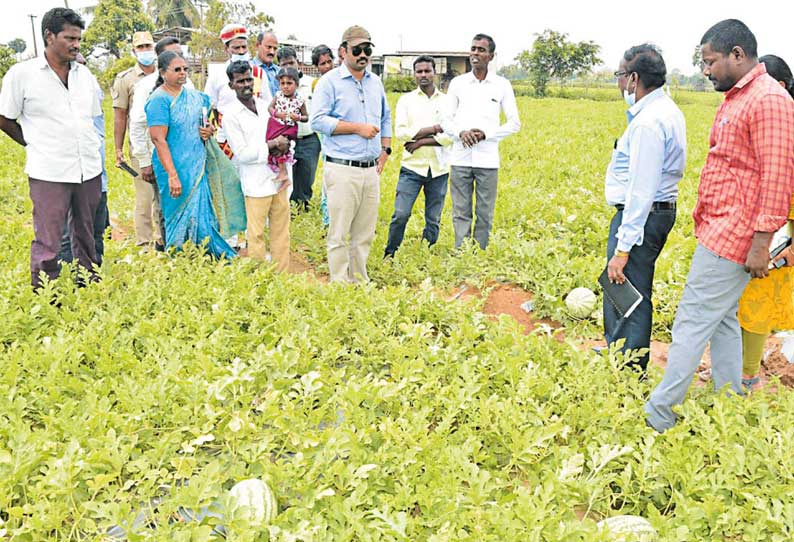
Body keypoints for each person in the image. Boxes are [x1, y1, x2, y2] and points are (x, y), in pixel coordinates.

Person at [645, 20, 794, 433]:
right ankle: (729, 403)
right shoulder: (740, 97)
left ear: (738, 55)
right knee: (725, 319)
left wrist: (762, 243)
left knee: (691, 322)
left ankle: (659, 413)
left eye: (710, 62)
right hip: (721, 229)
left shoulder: (769, 100)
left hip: (735, 236)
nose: (706, 70)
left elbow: (778, 175)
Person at [0, 7, 102, 290]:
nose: (76, 45)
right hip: (49, 170)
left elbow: (91, 117)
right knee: (49, 237)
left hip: (88, 168)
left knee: (86, 232)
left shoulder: (85, 76)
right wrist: (31, 141)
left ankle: (88, 284)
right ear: (49, 36)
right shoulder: (22, 74)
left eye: (79, 39)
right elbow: (5, 118)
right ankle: (47, 292)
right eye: (70, 38)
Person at [603, 44, 686, 371]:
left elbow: (641, 189)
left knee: (627, 289)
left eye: (621, 76)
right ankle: (620, 351)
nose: (620, 84)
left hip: (643, 215)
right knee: (625, 288)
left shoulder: (648, 122)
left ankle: (628, 367)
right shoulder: (667, 110)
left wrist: (623, 247)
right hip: (655, 213)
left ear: (634, 78)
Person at [310, 25, 392, 283]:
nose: (363, 55)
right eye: (357, 50)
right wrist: (357, 129)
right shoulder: (329, 82)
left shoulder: (375, 82)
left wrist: (385, 149)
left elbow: (385, 116)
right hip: (342, 168)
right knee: (339, 233)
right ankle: (339, 284)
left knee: (364, 233)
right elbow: (318, 121)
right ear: (343, 51)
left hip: (370, 169)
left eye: (367, 49)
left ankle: (359, 280)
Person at [735, 54, 794, 391]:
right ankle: (744, 366)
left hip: (778, 231)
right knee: (748, 300)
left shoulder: (784, 121)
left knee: (757, 300)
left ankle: (747, 375)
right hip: (764, 224)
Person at [145, 50, 236, 259]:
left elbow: (207, 124)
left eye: (185, 69)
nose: (183, 73)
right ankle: (179, 259)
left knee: (203, 214)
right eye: (177, 70)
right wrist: (172, 174)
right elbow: (158, 139)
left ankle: (209, 256)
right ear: (162, 72)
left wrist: (209, 131)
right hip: (173, 168)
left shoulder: (196, 98)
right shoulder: (159, 100)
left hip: (197, 166)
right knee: (176, 214)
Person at [442, 33, 520, 250]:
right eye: (473, 49)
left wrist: (486, 134)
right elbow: (446, 120)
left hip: (487, 160)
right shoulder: (458, 84)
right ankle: (462, 254)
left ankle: (480, 254)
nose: (476, 54)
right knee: (461, 211)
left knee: (485, 213)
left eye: (481, 50)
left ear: (491, 56)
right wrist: (461, 132)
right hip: (460, 157)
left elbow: (514, 123)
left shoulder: (502, 85)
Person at [223, 61, 291, 270]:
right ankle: (260, 277)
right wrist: (271, 146)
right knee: (257, 234)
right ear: (231, 85)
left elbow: (282, 132)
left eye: (248, 79)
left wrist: (284, 144)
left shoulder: (265, 106)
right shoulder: (230, 115)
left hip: (277, 179)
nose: (246, 85)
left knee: (281, 231)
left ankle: (282, 275)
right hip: (255, 184)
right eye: (240, 81)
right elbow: (242, 154)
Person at [384, 55, 453, 258]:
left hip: (439, 168)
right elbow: (402, 133)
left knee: (433, 218)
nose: (423, 75)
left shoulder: (448, 102)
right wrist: (434, 128)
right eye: (419, 71)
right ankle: (390, 253)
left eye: (427, 71)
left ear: (434, 72)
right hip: (412, 168)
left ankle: (426, 253)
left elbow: (450, 135)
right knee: (401, 214)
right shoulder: (406, 101)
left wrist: (421, 140)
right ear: (414, 74)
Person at [129, 37, 193, 248]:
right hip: (160, 156)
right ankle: (167, 247)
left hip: (187, 156)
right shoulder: (147, 87)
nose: (179, 61)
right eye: (173, 55)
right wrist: (145, 161)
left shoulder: (187, 83)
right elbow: (138, 125)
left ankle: (190, 248)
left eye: (181, 55)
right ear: (161, 62)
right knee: (164, 205)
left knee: (187, 202)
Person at [59, 53, 110, 267]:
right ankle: (68, 276)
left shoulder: (92, 104)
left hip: (97, 177)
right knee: (68, 233)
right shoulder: (61, 110)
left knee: (97, 229)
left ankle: (93, 275)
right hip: (68, 177)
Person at [112, 31, 160, 248]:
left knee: (165, 197)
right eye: (140, 47)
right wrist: (118, 149)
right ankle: (145, 243)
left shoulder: (165, 73)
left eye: (148, 46)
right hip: (141, 146)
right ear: (133, 51)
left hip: (165, 146)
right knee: (145, 197)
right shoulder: (125, 80)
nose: (145, 51)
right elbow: (120, 116)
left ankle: (163, 241)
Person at [204, 24, 270, 159]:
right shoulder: (217, 75)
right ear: (226, 49)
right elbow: (208, 106)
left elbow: (267, 104)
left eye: (244, 47)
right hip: (226, 140)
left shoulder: (258, 73)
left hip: (254, 137)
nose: (241, 51)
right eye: (236, 48)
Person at [278, 46, 322, 211]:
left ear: (298, 62)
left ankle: (303, 210)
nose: (288, 67)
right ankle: (286, 211)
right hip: (287, 140)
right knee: (287, 176)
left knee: (306, 178)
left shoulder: (311, 84)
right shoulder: (279, 87)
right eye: (284, 64)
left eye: (291, 63)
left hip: (309, 139)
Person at [267, 67, 308, 185]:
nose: (285, 86)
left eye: (289, 83)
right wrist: (276, 113)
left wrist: (299, 118)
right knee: (273, 146)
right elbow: (269, 108)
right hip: (275, 125)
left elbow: (306, 117)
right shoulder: (278, 95)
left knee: (283, 147)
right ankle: (280, 172)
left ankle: (283, 172)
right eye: (282, 83)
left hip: (289, 128)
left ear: (297, 84)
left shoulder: (299, 100)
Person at [312, 44, 336, 226]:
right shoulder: (318, 85)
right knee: (329, 176)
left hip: (343, 134)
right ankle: (327, 220)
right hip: (327, 133)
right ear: (316, 67)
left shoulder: (342, 80)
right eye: (322, 64)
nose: (327, 66)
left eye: (329, 61)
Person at [254, 31, 280, 97]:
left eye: (275, 48)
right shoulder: (248, 70)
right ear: (257, 45)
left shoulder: (279, 72)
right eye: (268, 47)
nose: (272, 52)